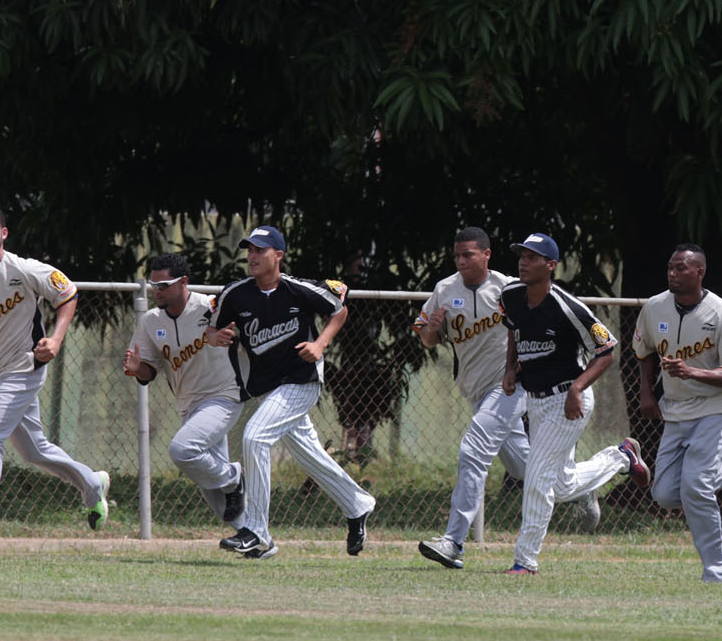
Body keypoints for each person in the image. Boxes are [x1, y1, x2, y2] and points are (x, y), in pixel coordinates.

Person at [414, 227, 601, 571]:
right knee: (531, 471)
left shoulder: (505, 286)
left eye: (468, 254)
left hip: (508, 387)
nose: (461, 261)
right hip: (474, 390)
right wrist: (432, 328)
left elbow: (519, 329)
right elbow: (427, 338)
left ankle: (453, 541)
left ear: (486, 255)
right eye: (457, 255)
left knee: (472, 450)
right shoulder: (444, 289)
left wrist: (513, 369)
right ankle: (577, 488)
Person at [0, 206, 109, 555]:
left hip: (25, 367)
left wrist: (55, 340)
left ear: (4, 233)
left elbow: (68, 293)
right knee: (34, 451)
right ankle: (92, 483)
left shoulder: (24, 269)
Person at [205, 225, 375, 559]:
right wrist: (216, 337)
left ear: (278, 255)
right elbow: (212, 330)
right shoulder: (236, 294)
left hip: (302, 381)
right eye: (249, 250)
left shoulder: (297, 289)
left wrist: (320, 344)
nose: (253, 256)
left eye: (260, 250)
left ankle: (256, 531)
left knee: (254, 437)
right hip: (269, 389)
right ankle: (357, 504)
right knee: (309, 454)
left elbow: (339, 310)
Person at [499, 232, 647, 575]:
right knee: (562, 486)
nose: (523, 261)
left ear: (550, 266)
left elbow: (606, 350)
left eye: (532, 257)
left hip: (569, 400)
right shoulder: (511, 295)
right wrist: (510, 368)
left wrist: (577, 389)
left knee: (536, 477)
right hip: (536, 402)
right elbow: (513, 330)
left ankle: (525, 561)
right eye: (521, 255)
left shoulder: (569, 307)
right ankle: (620, 457)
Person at [633, 243, 722, 584]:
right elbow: (642, 351)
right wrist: (645, 392)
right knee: (664, 494)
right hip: (675, 409)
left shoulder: (721, 313)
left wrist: (693, 372)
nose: (673, 273)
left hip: (716, 407)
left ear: (699, 272)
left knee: (697, 487)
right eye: (670, 267)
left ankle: (716, 571)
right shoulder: (655, 307)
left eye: (681, 268)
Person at [123, 253, 245, 527]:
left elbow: (243, 330)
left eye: (164, 285)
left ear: (184, 282)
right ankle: (253, 537)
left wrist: (229, 334)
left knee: (183, 449)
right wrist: (136, 368)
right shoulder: (151, 321)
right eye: (154, 285)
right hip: (189, 404)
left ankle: (233, 477)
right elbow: (148, 373)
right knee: (211, 489)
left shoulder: (210, 306)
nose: (158, 291)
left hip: (223, 395)